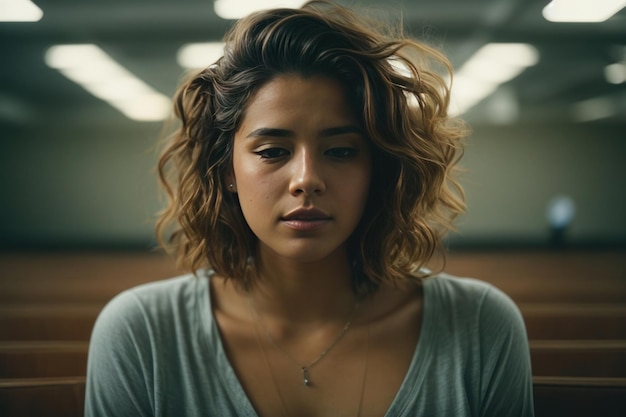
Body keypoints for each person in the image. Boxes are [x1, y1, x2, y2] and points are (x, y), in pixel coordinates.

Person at [84, 1, 534, 416]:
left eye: (340, 151)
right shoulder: (140, 334)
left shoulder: (480, 326)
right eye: (272, 151)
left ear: (377, 169)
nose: (306, 180)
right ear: (226, 169)